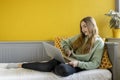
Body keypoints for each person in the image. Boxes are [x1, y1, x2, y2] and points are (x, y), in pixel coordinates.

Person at [7, 16, 104, 77]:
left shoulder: (99, 43)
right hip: (68, 59)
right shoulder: (80, 36)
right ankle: (21, 65)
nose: (82, 29)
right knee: (49, 65)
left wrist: (78, 63)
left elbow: (95, 63)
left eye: (85, 26)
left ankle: (52, 66)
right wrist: (67, 50)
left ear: (92, 25)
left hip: (79, 65)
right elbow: (64, 42)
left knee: (63, 70)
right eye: (81, 27)